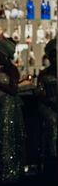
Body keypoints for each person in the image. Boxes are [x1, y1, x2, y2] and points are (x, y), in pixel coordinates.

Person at [0, 36, 26, 183]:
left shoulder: (12, 70)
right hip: (0, 107)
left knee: (7, 138)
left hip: (8, 107)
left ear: (4, 54)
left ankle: (9, 172)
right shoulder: (2, 69)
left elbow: (13, 90)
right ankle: (0, 171)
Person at [37, 38, 57, 173]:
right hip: (47, 105)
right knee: (52, 121)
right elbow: (39, 91)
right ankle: (52, 154)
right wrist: (50, 101)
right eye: (52, 56)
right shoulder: (44, 73)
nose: (55, 59)